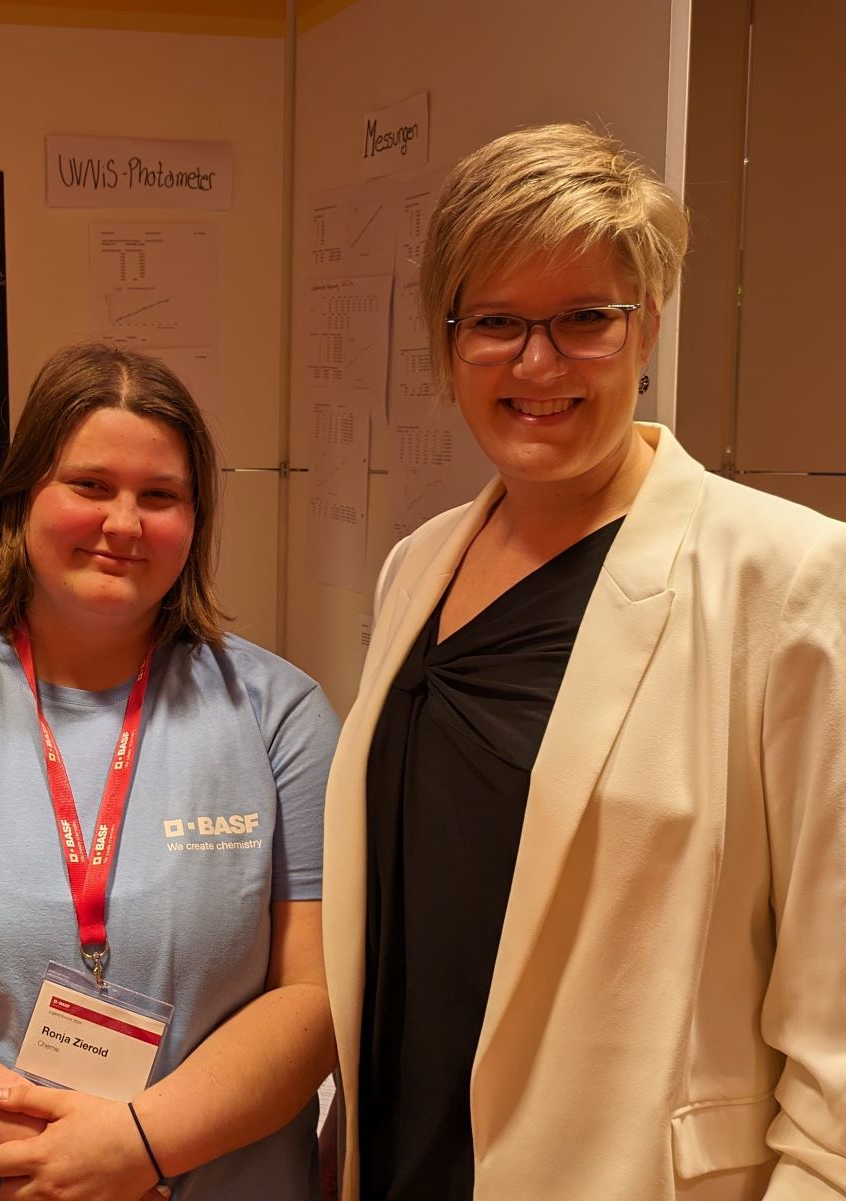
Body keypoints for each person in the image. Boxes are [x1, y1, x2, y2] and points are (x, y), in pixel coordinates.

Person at [321, 122, 846, 1201]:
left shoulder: (787, 577)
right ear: (449, 340)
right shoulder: (417, 565)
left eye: (584, 319)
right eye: (496, 322)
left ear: (646, 325)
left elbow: (835, 1033)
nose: (537, 363)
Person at [0, 342, 340, 1199]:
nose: (125, 523)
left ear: (195, 521)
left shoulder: (280, 717)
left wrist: (140, 1147)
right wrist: (61, 1159)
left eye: (160, 496)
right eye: (90, 485)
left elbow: (316, 994)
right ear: (22, 500)